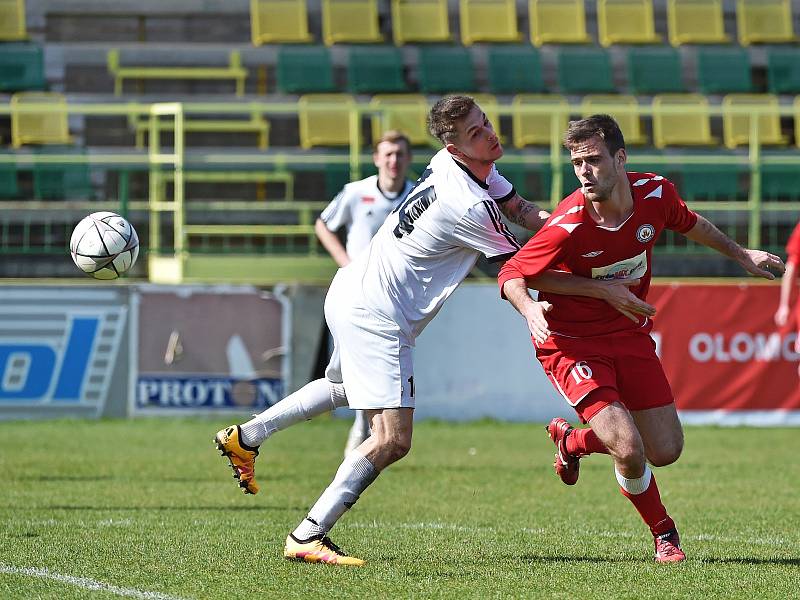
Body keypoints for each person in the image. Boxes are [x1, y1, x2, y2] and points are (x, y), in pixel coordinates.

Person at [212, 97, 653, 566]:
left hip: (353, 290)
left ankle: (249, 436)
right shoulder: (468, 205)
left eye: (485, 123)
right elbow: (522, 270)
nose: (490, 133)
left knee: (340, 388)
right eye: (476, 132)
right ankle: (309, 532)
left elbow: (522, 210)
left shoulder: (459, 167)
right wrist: (598, 289)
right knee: (392, 439)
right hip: (378, 314)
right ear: (454, 146)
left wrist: (579, 228)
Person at [498, 114, 785, 563]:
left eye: (592, 160)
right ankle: (664, 532)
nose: (584, 172)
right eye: (576, 163)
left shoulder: (655, 193)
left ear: (621, 158)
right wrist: (531, 306)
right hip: (571, 342)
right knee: (629, 450)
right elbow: (513, 272)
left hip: (629, 335)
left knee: (666, 450)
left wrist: (742, 253)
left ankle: (573, 442)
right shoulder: (570, 220)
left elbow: (691, 223)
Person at [314, 130, 415, 456]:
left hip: (393, 298)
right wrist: (345, 263)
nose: (394, 160)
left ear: (408, 159)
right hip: (353, 295)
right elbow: (323, 224)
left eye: (400, 154)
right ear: (376, 159)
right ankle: (364, 426)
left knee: (371, 367)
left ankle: (364, 428)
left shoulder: (417, 196)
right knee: (347, 367)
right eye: (388, 154)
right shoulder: (356, 193)